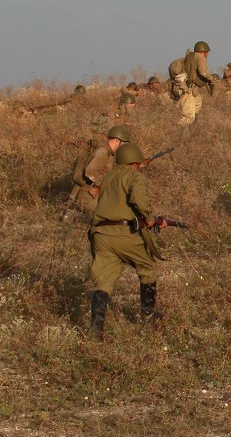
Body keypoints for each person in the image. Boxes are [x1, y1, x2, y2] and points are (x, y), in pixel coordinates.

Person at [88, 142, 163, 338]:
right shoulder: (135, 176)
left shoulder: (108, 177)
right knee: (148, 268)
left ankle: (96, 330)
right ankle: (147, 319)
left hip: (101, 235)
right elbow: (139, 199)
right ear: (136, 161)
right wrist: (149, 219)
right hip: (124, 233)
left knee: (103, 282)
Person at [68, 125, 131, 217]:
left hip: (82, 193)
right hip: (87, 196)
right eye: (124, 143)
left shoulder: (106, 151)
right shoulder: (103, 152)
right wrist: (105, 183)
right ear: (117, 140)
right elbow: (90, 172)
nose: (124, 147)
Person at [172, 41, 219, 125]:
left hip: (185, 87)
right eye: (207, 52)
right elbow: (203, 72)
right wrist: (211, 79)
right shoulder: (200, 57)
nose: (207, 55)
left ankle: (193, 128)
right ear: (203, 52)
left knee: (197, 105)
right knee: (188, 117)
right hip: (187, 89)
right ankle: (176, 132)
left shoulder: (190, 57)